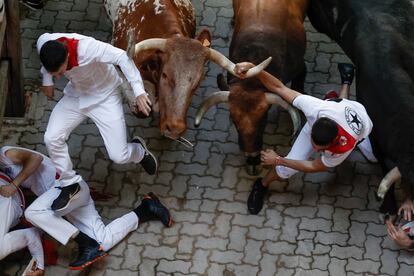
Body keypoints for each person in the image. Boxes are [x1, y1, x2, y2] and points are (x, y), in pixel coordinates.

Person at [234, 62, 376, 214]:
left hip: (362, 122)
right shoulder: (315, 109)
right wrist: (254, 69)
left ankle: (345, 82)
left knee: (373, 158)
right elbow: (279, 87)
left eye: (318, 149)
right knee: (285, 171)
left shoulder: (340, 151)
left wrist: (278, 160)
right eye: (313, 144)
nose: (314, 149)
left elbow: (313, 167)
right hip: (335, 108)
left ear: (333, 143)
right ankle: (261, 185)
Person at [36, 33, 157, 212]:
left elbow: (122, 57)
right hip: (77, 95)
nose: (60, 76)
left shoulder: (88, 48)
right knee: (51, 137)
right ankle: (70, 184)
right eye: (56, 75)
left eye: (61, 72)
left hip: (105, 96)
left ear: (67, 56)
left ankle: (139, 151)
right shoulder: (44, 43)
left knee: (119, 156)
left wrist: (139, 91)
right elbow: (45, 62)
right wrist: (47, 80)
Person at [0, 145, 172, 271]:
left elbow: (35, 159)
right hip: (61, 203)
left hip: (68, 189)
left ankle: (85, 243)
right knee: (103, 242)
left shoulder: (5, 154)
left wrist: (14, 185)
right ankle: (148, 208)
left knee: (33, 213)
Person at [0, 145, 58, 276]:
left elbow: (31, 235)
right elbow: (31, 235)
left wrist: (39, 265)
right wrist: (39, 266)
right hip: (11, 191)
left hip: (12, 188)